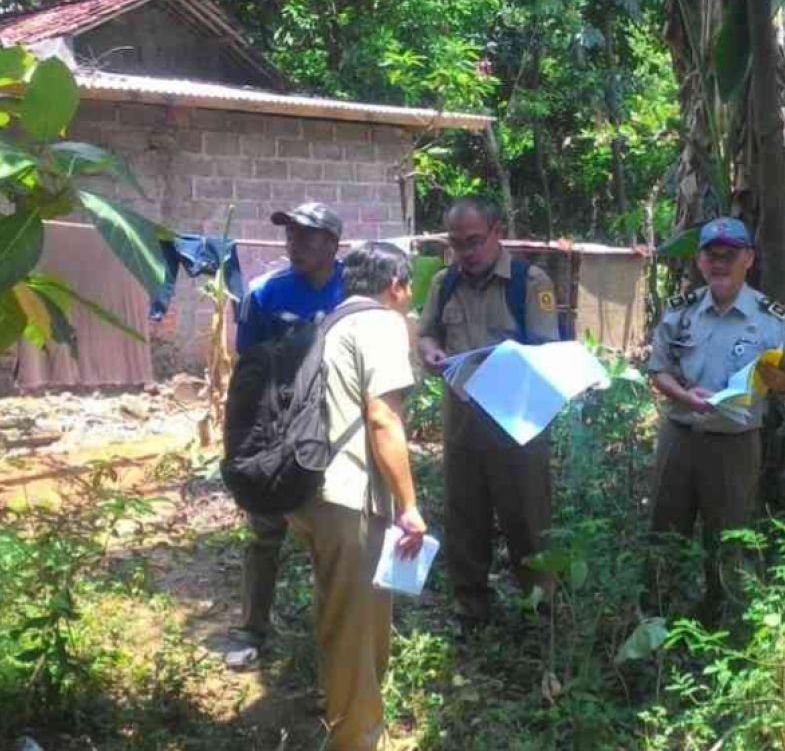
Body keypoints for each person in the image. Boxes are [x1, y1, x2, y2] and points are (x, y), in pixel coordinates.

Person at [288, 241, 425, 751]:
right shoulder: (382, 323)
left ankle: (352, 718)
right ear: (396, 285)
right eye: (409, 288)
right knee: (355, 627)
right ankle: (356, 741)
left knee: (341, 614)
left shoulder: (331, 322)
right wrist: (409, 506)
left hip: (313, 493)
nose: (409, 298)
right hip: (349, 497)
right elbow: (383, 417)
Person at [645, 217, 785, 620]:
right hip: (680, 436)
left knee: (727, 537)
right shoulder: (681, 312)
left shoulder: (771, 319)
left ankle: (718, 620)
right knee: (664, 531)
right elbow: (658, 370)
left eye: (729, 255)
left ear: (748, 259)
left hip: (735, 443)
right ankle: (654, 615)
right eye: (710, 254)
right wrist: (684, 395)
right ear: (699, 261)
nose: (719, 262)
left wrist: (783, 382)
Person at [416, 196, 560, 633]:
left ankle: (539, 609)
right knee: (464, 520)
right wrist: (431, 352)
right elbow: (426, 334)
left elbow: (547, 353)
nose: (467, 252)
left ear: (497, 231)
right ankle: (470, 607)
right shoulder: (444, 283)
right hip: (462, 425)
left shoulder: (529, 281)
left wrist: (507, 361)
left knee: (528, 521)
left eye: (475, 241)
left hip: (516, 426)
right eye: (457, 244)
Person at [228, 202, 344, 665]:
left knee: (334, 532)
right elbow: (249, 369)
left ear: (333, 244)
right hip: (279, 421)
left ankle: (334, 638)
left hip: (337, 421)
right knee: (265, 527)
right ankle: (252, 630)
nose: (294, 243)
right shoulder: (266, 294)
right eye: (290, 234)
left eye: (307, 235)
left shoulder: (353, 290)